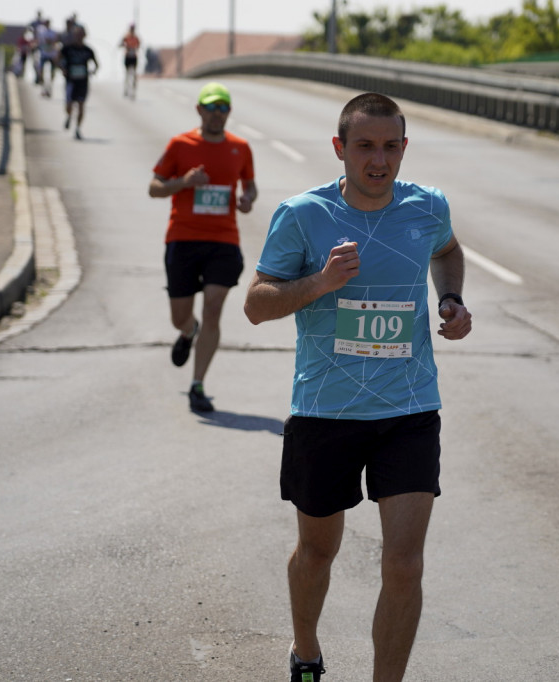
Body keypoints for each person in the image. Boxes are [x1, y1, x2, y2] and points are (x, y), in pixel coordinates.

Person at [243, 92, 472, 682]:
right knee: (318, 552)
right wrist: (320, 282)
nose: (379, 160)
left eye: (390, 146)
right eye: (365, 146)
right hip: (326, 410)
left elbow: (446, 250)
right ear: (340, 149)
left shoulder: (427, 207)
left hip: (409, 407)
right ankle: (307, 649)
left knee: (404, 564)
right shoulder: (303, 214)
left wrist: (450, 298)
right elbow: (256, 305)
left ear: (403, 148)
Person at [148, 82, 258, 412]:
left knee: (213, 306)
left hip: (223, 240)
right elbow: (154, 188)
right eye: (211, 107)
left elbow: (250, 186)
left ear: (229, 113)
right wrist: (184, 182)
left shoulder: (240, 147)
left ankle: (198, 384)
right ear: (199, 110)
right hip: (182, 238)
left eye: (223, 107)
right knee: (179, 316)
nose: (217, 113)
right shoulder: (180, 145)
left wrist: (248, 199)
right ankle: (187, 331)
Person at [59, 26, 97, 141]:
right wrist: (63, 69)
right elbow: (58, 59)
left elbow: (96, 64)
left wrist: (92, 71)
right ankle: (69, 115)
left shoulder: (88, 50)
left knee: (81, 105)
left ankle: (78, 128)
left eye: (81, 34)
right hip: (71, 81)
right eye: (77, 34)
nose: (79, 37)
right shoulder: (67, 49)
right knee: (69, 105)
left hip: (83, 81)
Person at [36, 19, 60, 97]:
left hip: (51, 55)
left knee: (51, 74)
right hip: (44, 54)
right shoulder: (41, 32)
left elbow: (55, 42)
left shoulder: (53, 32)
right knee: (41, 71)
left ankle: (49, 89)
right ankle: (43, 88)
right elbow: (39, 42)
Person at [120, 24, 141, 99]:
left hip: (134, 57)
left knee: (134, 74)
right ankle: (126, 89)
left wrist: (134, 48)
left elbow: (139, 45)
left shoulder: (136, 38)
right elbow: (120, 44)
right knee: (127, 73)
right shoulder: (126, 37)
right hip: (127, 57)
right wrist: (125, 46)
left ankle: (133, 89)